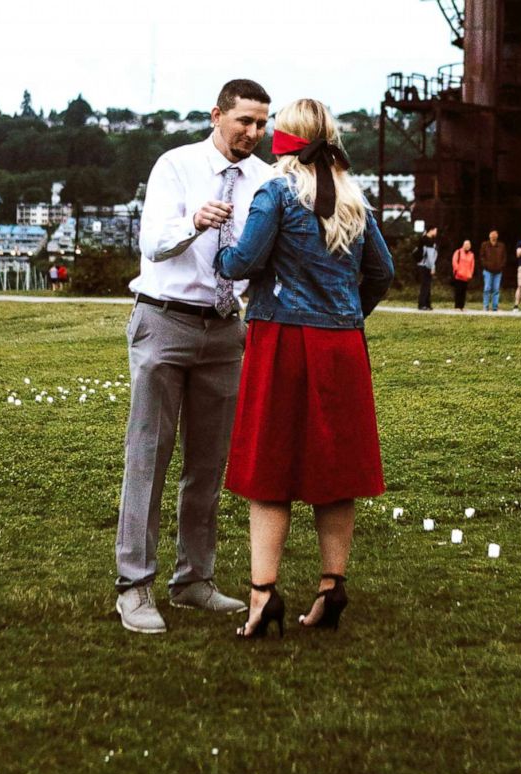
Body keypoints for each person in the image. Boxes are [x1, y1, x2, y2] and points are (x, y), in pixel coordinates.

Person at [216, 98, 394, 639]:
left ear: (286, 139)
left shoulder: (275, 192)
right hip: (341, 347)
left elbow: (243, 262)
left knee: (270, 468)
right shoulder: (353, 198)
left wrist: (222, 249)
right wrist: (344, 316)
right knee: (335, 470)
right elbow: (381, 271)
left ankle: (262, 594)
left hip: (282, 342)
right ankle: (331, 585)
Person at [114, 78, 274, 635]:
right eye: (244, 122)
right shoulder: (176, 165)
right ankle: (134, 586)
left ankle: (193, 581)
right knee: (148, 457)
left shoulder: (266, 179)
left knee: (208, 464)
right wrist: (193, 224)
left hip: (226, 331)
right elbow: (151, 242)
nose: (254, 133)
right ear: (217, 116)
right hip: (164, 320)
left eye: (261, 124)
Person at [479, 229, 506, 311]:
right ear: (489, 236)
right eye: (492, 234)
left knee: (496, 289)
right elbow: (481, 257)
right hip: (487, 271)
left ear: (497, 236)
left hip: (498, 271)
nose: (493, 236)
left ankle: (495, 307)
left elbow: (504, 258)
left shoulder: (501, 246)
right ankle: (485, 306)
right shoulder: (484, 245)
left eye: (495, 234)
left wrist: (501, 266)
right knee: (487, 288)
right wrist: (486, 265)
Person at [416, 225, 438, 310]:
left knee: (427, 285)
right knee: (425, 285)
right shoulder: (428, 241)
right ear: (431, 230)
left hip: (421, 264)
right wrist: (432, 267)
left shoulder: (423, 238)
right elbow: (430, 255)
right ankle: (422, 304)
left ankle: (427, 304)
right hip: (426, 265)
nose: (436, 232)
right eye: (435, 230)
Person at [452, 239, 475, 311]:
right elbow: (454, 262)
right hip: (458, 276)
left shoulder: (471, 254)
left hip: (466, 276)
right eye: (466, 244)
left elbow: (472, 265)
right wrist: (457, 270)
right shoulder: (458, 252)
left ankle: (462, 306)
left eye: (469, 245)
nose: (467, 246)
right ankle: (457, 306)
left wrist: (470, 273)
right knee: (458, 291)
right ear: (463, 245)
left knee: (463, 292)